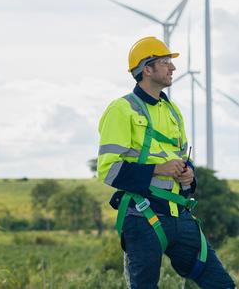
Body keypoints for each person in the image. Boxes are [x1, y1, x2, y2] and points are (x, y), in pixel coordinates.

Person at [97, 36, 235, 289]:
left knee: (221, 284)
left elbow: (183, 159)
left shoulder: (173, 111)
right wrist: (158, 169)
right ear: (147, 69)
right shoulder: (121, 109)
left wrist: (188, 176)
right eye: (165, 62)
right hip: (142, 217)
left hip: (179, 215)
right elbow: (107, 169)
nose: (173, 68)